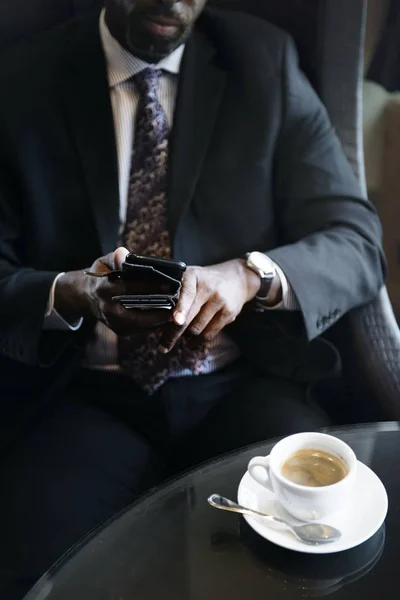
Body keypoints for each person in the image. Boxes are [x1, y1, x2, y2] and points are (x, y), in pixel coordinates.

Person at [0, 0, 385, 596]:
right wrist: (67, 294)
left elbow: (356, 242)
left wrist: (253, 276)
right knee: (27, 571)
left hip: (240, 387)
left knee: (317, 561)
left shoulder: (265, 62)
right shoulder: (23, 79)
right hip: (85, 395)